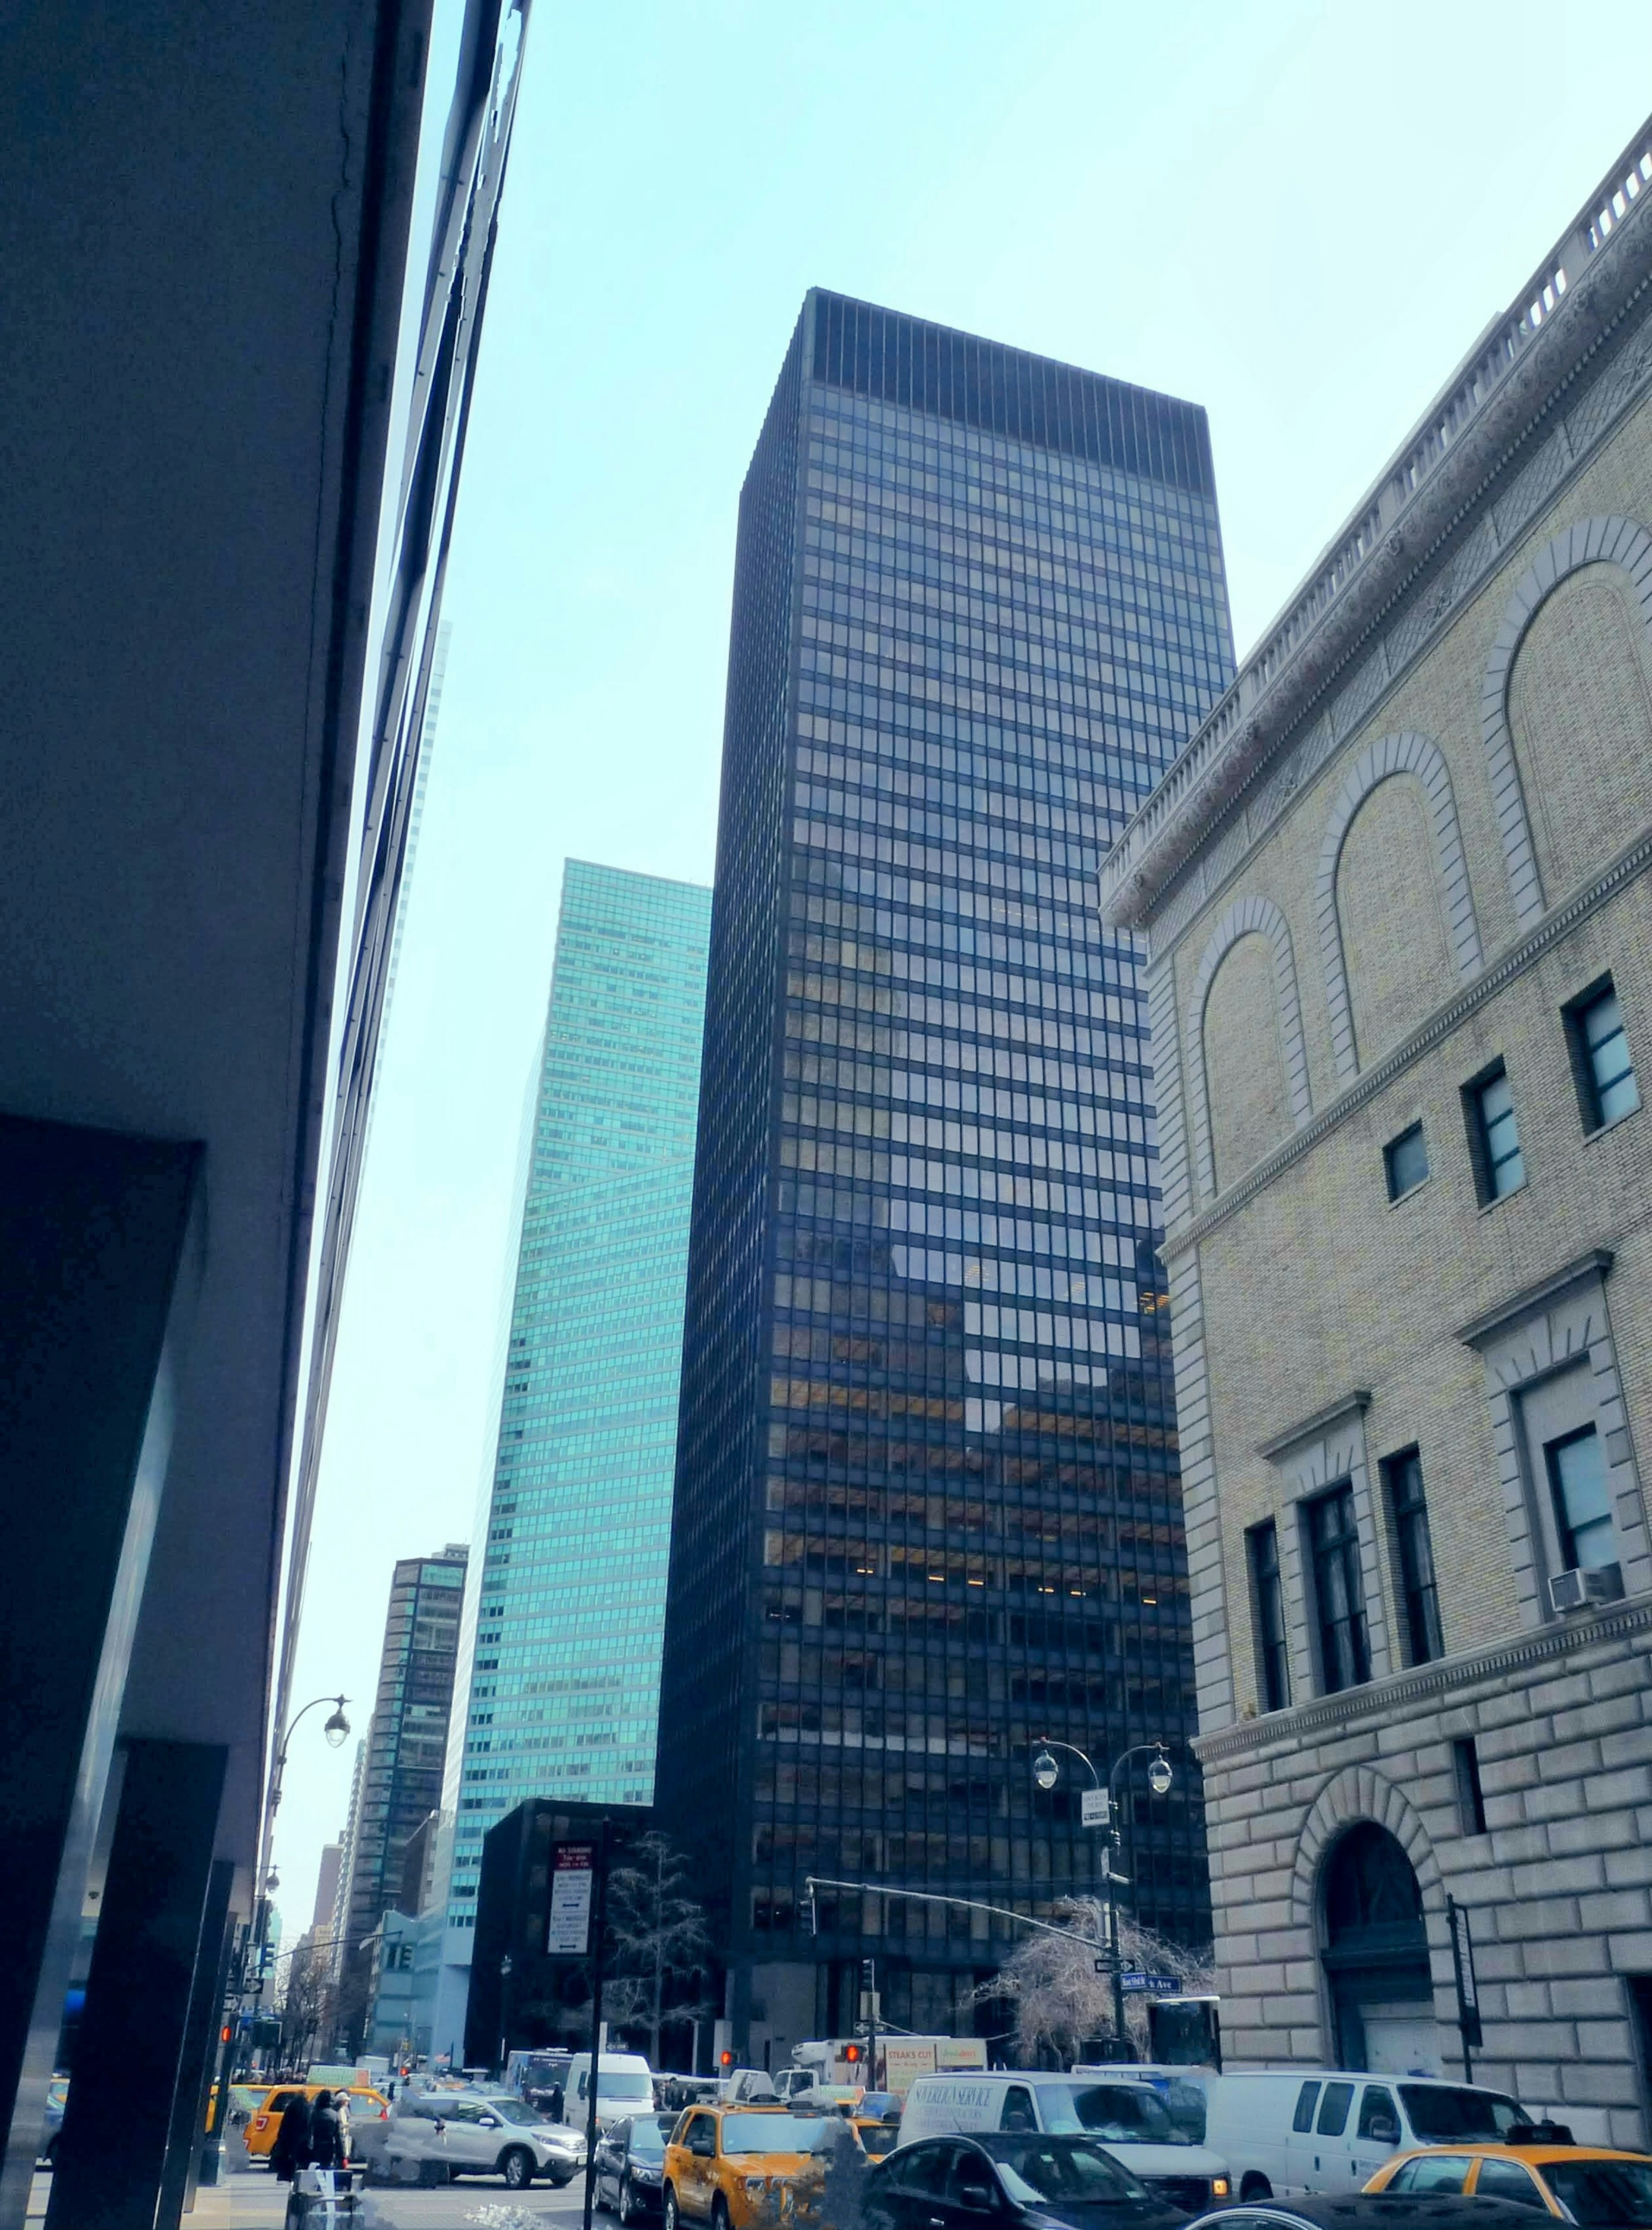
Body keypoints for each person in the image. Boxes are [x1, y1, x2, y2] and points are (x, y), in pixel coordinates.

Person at [268, 2090, 313, 2183]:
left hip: (290, 2136)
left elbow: (285, 2124)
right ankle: (299, 2178)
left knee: (289, 2157)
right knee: (301, 2159)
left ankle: (286, 2176)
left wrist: (281, 2137)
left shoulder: (292, 2106)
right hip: (303, 2137)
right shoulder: (309, 2107)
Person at [307, 2089, 345, 2172]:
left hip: (316, 2146)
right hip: (329, 2146)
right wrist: (342, 2155)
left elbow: (309, 2131)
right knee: (327, 2169)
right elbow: (338, 2137)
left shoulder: (314, 2114)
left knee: (316, 2169)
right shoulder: (334, 2115)